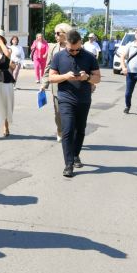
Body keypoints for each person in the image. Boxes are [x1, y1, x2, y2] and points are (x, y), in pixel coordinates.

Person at [48, 29, 101, 178]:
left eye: (78, 49)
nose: (75, 52)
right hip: (65, 98)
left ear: (81, 44)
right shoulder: (58, 57)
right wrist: (65, 76)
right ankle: (68, 164)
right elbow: (51, 78)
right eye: (72, 50)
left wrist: (87, 78)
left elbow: (98, 78)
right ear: (66, 44)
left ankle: (76, 154)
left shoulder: (89, 57)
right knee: (68, 130)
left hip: (84, 99)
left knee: (80, 129)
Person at [42, 23, 72, 142]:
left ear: (65, 34)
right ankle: (60, 129)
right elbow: (47, 67)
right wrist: (44, 84)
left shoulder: (74, 47)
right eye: (55, 33)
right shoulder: (53, 48)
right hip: (57, 87)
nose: (55, 35)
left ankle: (69, 134)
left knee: (71, 113)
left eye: (58, 33)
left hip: (72, 85)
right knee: (58, 113)